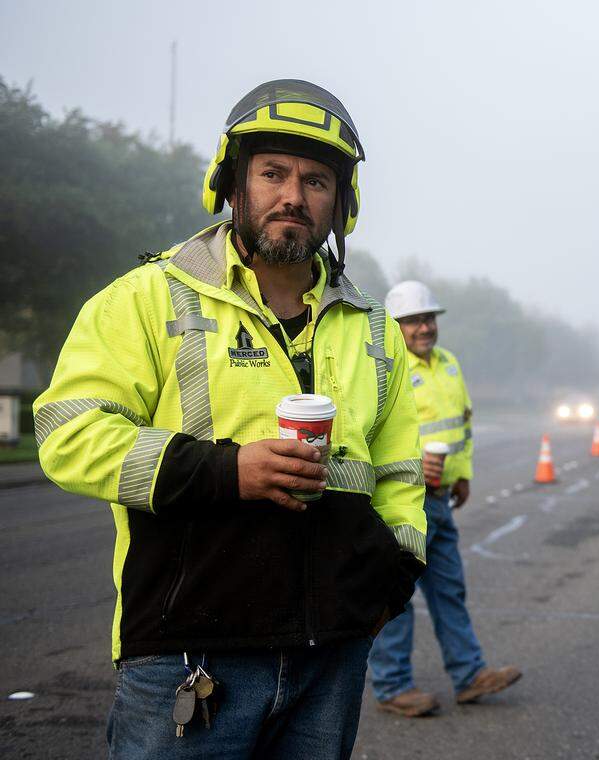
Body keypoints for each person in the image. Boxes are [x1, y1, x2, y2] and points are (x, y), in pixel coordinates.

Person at [34, 79, 427, 758]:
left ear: (341, 204)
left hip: (330, 659)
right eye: (272, 173)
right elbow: (69, 434)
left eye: (316, 181)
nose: (293, 196)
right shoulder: (144, 300)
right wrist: (227, 470)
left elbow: (398, 471)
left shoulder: (375, 330)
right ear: (233, 184)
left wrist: (393, 581)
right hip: (188, 655)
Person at [367, 280, 521, 717]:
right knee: (396, 596)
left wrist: (463, 474)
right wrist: (416, 462)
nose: (424, 327)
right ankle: (393, 685)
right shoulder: (381, 368)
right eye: (414, 320)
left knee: (449, 591)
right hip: (400, 499)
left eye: (429, 318)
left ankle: (469, 675)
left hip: (440, 499)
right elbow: (370, 434)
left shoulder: (449, 364)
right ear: (395, 326)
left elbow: (463, 425)